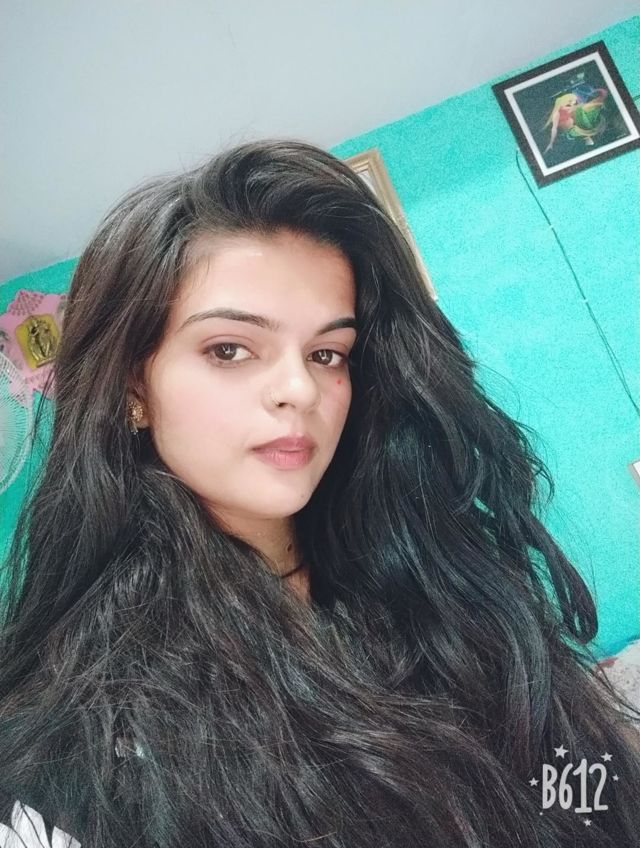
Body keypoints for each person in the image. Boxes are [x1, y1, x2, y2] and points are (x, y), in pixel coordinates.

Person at [0, 139, 638, 848]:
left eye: (327, 354)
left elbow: (574, 782)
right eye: (229, 349)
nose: (300, 389)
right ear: (133, 390)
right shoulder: (80, 751)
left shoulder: (434, 580)